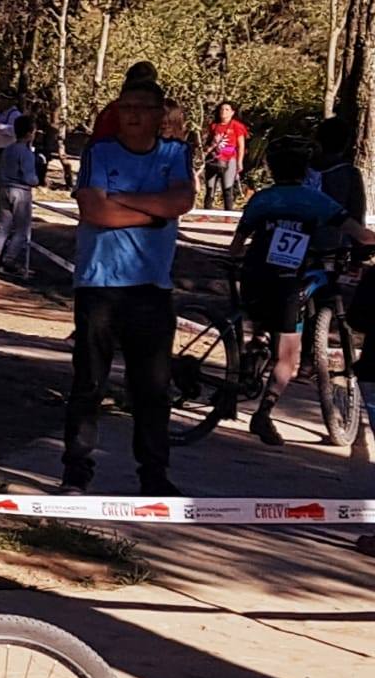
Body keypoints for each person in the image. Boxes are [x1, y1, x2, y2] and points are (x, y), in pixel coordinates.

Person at [61, 77, 194, 496]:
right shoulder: (99, 152)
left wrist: (121, 200)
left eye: (142, 107)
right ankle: (76, 471)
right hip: (99, 283)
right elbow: (94, 210)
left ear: (159, 114)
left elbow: (181, 202)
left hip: (152, 287)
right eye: (125, 106)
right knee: (89, 382)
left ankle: (154, 474)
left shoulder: (175, 154)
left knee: (152, 388)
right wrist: (154, 212)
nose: (132, 114)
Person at [228, 137, 375, 445]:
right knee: (289, 359)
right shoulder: (314, 200)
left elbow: (237, 246)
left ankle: (254, 348)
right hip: (288, 281)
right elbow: (360, 234)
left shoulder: (262, 199)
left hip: (254, 277)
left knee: (260, 317)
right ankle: (263, 414)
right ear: (305, 167)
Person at [0, 115, 38, 276]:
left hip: (4, 188)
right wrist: (37, 180)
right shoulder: (26, 153)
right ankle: (9, 259)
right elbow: (29, 177)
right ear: (30, 133)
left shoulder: (7, 149)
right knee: (21, 229)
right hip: (20, 191)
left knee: (3, 226)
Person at [202, 101, 247, 211]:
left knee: (227, 188)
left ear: (232, 112)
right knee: (210, 188)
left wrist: (239, 162)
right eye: (222, 109)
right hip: (213, 159)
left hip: (230, 159)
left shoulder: (237, 126)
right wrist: (211, 145)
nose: (223, 112)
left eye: (227, 110)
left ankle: (228, 216)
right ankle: (206, 214)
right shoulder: (214, 126)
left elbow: (241, 146)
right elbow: (207, 145)